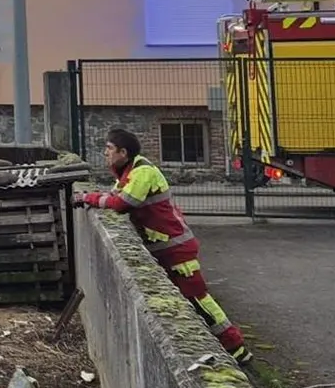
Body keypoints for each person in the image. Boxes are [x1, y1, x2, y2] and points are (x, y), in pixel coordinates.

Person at [76, 128, 252, 365]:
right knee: (187, 300)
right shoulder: (127, 173)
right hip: (167, 248)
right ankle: (226, 346)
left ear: (123, 152)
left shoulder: (143, 172)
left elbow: (122, 203)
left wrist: (89, 198)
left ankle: (236, 347)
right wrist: (94, 197)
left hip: (176, 249)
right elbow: (114, 195)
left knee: (198, 298)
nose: (105, 153)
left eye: (109, 149)